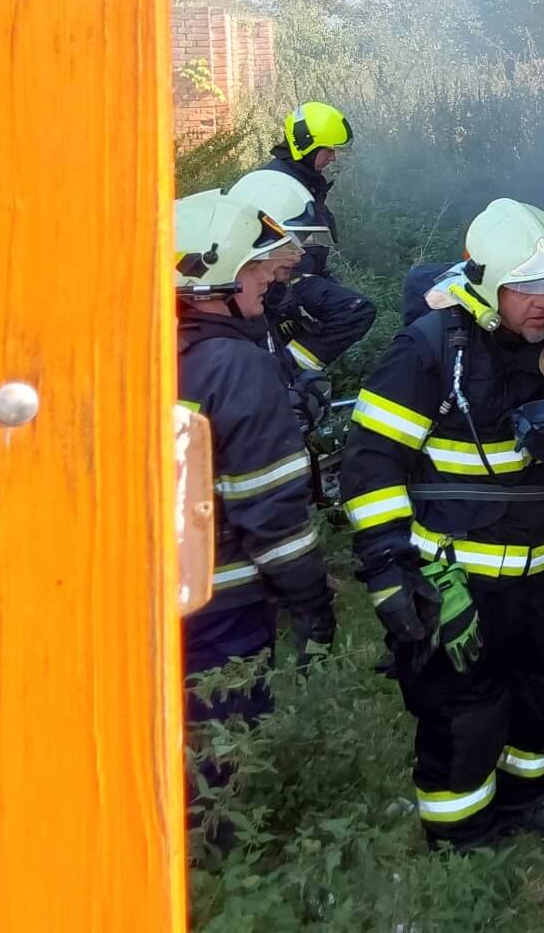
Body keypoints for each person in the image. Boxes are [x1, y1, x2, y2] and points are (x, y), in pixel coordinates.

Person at [338, 198, 544, 848]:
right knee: (465, 707)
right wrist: (390, 568)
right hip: (458, 573)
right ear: (487, 283)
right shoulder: (429, 352)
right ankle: (461, 834)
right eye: (526, 285)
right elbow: (370, 462)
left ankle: (523, 798)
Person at [174, 190, 335, 808]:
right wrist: (312, 604)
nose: (268, 275)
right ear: (209, 277)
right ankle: (212, 867)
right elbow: (272, 515)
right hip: (228, 605)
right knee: (221, 757)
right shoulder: (237, 367)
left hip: (157, 599)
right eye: (253, 266)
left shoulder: (145, 351)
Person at [235, 101, 376, 395]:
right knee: (355, 311)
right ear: (306, 146)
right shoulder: (276, 187)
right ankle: (290, 373)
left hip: (296, 277)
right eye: (327, 150)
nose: (333, 157)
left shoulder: (298, 180)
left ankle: (288, 368)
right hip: (279, 282)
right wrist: (291, 292)